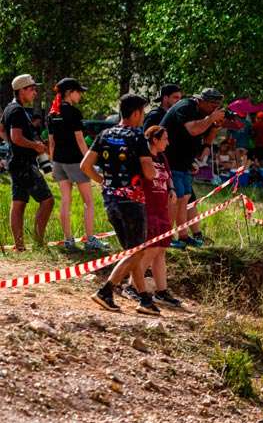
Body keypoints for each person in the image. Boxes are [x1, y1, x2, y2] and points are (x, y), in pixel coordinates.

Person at [80, 94, 158, 314]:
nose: (143, 118)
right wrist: (153, 166)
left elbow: (86, 165)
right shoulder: (137, 136)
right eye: (142, 113)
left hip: (110, 200)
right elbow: (149, 173)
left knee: (133, 252)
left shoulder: (105, 134)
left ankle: (144, 299)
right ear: (135, 113)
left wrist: (104, 182)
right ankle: (106, 290)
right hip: (132, 201)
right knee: (135, 252)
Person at [46, 78, 106, 251]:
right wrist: (90, 161)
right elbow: (80, 140)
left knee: (66, 201)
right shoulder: (73, 112)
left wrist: (52, 162)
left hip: (58, 161)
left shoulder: (52, 113)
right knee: (88, 201)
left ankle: (68, 241)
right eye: (78, 91)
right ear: (69, 92)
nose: (80, 95)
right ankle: (89, 240)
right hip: (75, 162)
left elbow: (51, 143)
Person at [160, 88, 225, 247]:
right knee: (174, 199)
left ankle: (183, 235)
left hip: (184, 162)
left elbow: (204, 137)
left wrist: (214, 127)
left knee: (185, 199)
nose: (213, 109)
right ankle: (165, 238)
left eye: (216, 106)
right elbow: (193, 129)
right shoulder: (186, 106)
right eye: (211, 105)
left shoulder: (204, 114)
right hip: (170, 160)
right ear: (201, 101)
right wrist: (211, 118)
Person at [1, 74, 54, 251]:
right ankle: (38, 243)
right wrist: (35, 146)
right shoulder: (16, 111)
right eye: (31, 89)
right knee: (47, 200)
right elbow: (16, 136)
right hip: (23, 163)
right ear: (21, 90)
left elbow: (2, 130)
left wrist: (14, 144)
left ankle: (20, 246)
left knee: (19, 203)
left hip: (15, 162)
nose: (35, 92)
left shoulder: (10, 108)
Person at [139, 125, 183, 308]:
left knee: (161, 249)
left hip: (162, 207)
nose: (168, 142)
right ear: (155, 140)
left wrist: (171, 189)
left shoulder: (163, 157)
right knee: (151, 248)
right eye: (165, 138)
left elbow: (168, 176)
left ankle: (161, 291)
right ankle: (133, 286)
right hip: (148, 208)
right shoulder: (144, 156)